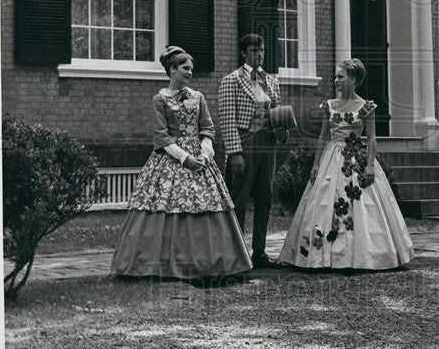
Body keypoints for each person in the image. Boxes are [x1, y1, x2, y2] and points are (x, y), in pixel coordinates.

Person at [111, 46, 251, 283]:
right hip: (171, 159)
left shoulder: (198, 97)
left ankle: (211, 262)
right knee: (164, 206)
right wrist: (185, 158)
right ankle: (159, 264)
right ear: (172, 69)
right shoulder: (160, 99)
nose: (190, 73)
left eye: (192, 69)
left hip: (200, 157)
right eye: (185, 68)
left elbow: (207, 128)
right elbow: (161, 136)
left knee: (206, 206)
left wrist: (205, 155)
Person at [279, 59, 414, 271]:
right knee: (324, 203)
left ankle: (361, 256)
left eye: (340, 77)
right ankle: (322, 255)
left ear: (353, 79)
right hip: (331, 159)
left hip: (356, 159)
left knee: (360, 206)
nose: (336, 81)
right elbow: (323, 137)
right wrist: (315, 165)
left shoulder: (366, 106)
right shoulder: (329, 106)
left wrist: (369, 166)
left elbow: (371, 139)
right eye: (336, 76)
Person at [218, 33, 282, 269]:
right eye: (255, 51)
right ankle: (235, 252)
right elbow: (226, 119)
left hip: (267, 141)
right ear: (244, 53)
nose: (260, 55)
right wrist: (235, 152)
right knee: (240, 197)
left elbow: (276, 114)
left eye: (262, 50)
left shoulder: (272, 80)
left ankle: (260, 251)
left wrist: (282, 128)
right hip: (245, 141)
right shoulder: (231, 80)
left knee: (265, 196)